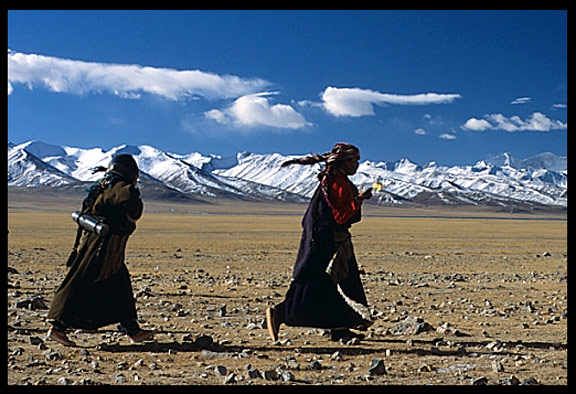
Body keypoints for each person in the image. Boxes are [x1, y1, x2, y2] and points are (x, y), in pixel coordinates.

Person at [266, 142, 374, 342]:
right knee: (324, 282)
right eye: (352, 160)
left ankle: (339, 328)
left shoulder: (336, 180)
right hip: (326, 241)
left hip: (327, 240)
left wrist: (358, 199)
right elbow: (340, 217)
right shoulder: (336, 183)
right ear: (341, 161)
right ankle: (281, 313)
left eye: (358, 160)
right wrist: (358, 200)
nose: (356, 165)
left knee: (330, 283)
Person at [46, 154, 154, 346]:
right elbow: (129, 202)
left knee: (120, 284)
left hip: (104, 246)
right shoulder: (120, 188)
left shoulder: (103, 186)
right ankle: (57, 327)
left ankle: (133, 330)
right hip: (101, 247)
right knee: (80, 280)